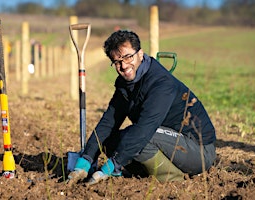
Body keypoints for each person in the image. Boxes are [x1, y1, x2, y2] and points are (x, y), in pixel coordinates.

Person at [68, 30, 216, 185]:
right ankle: (143, 173)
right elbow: (108, 122)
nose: (123, 66)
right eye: (117, 61)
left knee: (140, 136)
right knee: (110, 141)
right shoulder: (125, 85)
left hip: (198, 151)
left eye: (127, 57)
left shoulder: (161, 84)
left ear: (140, 54)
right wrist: (86, 159)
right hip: (167, 140)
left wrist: (113, 165)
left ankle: (174, 178)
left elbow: (145, 129)